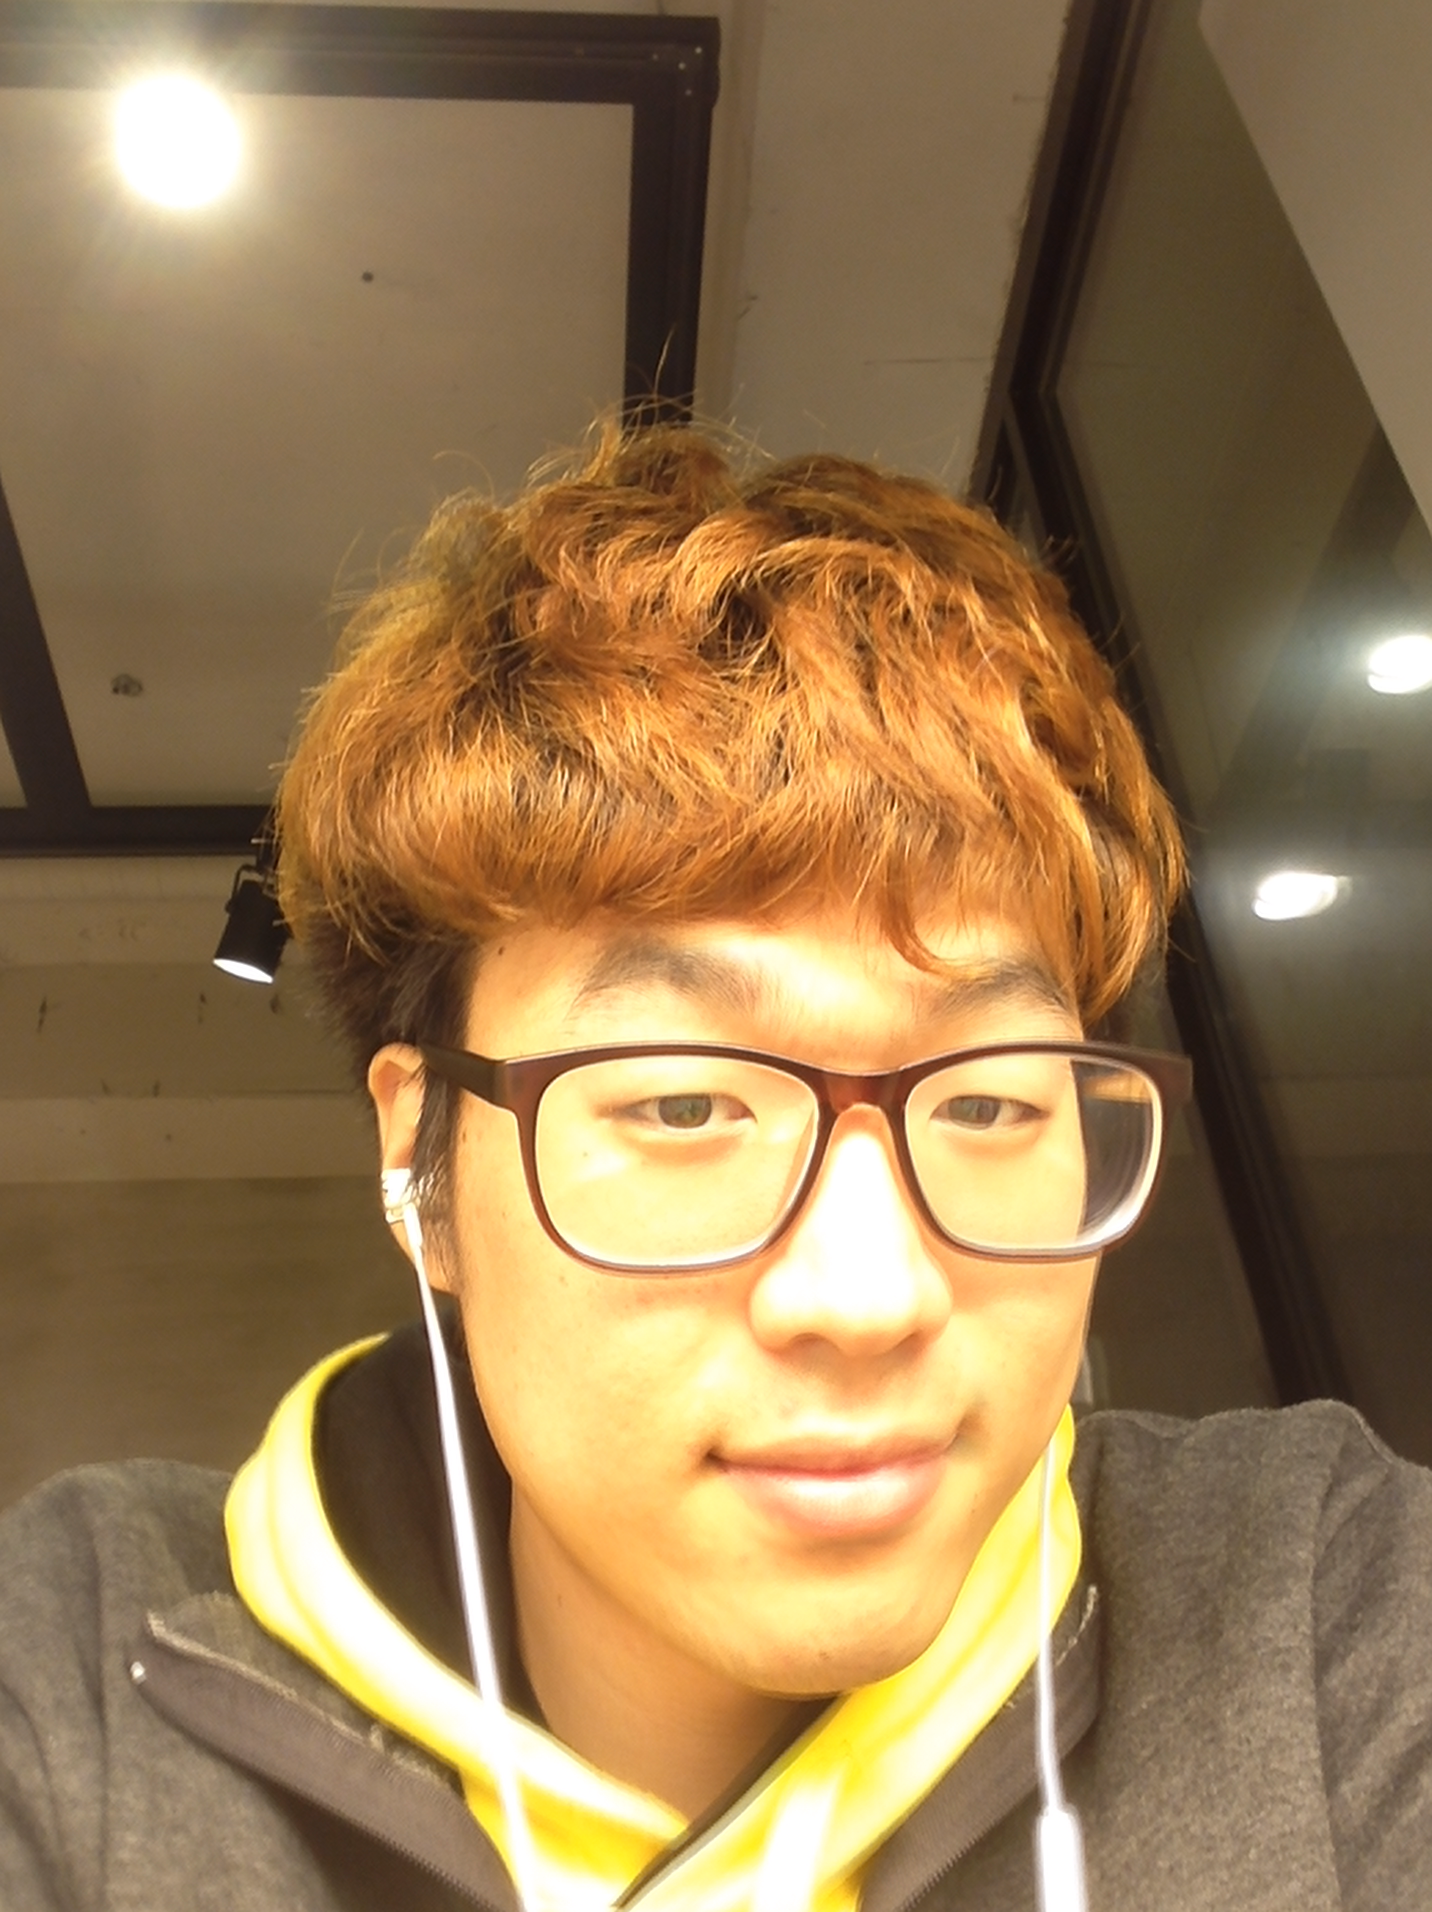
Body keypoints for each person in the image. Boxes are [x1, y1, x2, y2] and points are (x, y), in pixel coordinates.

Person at [1, 427, 1429, 1912]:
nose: (869, 1297)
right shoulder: (82, 1684)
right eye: (684, 1105)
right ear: (422, 1158)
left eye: (990, 1101)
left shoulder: (1318, 1607)